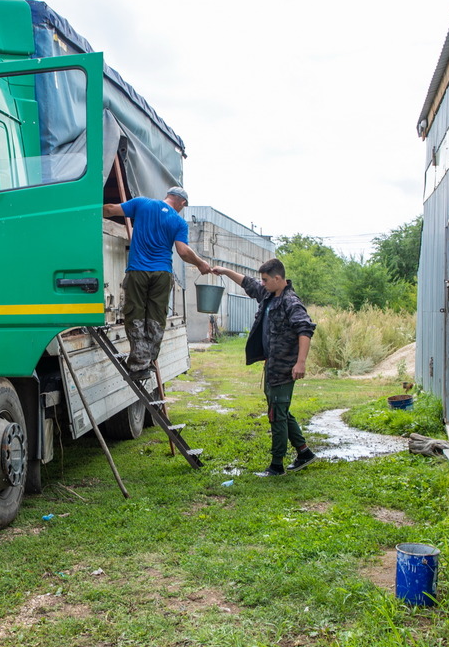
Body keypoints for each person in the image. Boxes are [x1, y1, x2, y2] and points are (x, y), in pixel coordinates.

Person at [213, 258, 317, 476]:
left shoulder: (291, 302)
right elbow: (248, 283)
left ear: (278, 279)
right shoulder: (269, 295)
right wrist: (224, 270)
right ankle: (304, 452)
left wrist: (301, 362)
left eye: (266, 280)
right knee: (280, 410)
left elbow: (305, 330)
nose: (262, 283)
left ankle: (276, 466)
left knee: (276, 415)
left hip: (284, 367)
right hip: (271, 366)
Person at [103, 186, 211, 380]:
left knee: (135, 313)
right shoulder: (178, 221)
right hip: (162, 273)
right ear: (182, 203)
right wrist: (201, 263)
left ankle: (139, 364)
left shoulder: (142, 204)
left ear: (168, 196)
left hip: (138, 270)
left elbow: (110, 209)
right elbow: (183, 251)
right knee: (155, 317)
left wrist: (83, 208)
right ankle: (148, 360)